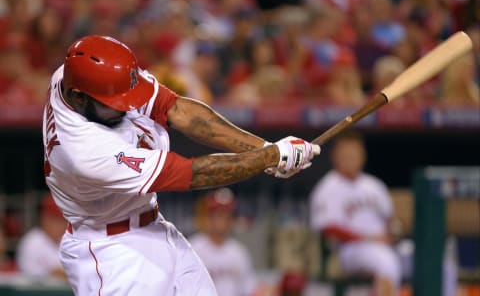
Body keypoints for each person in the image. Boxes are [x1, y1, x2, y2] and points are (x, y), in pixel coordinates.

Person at [42, 35, 320, 296]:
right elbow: (194, 174)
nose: (127, 108)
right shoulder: (82, 151)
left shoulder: (73, 78)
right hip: (111, 253)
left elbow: (175, 109)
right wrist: (270, 158)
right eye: (115, 104)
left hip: (153, 228)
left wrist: (265, 149)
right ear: (78, 97)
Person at [309, 131, 400, 296]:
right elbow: (328, 229)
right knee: (386, 261)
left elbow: (391, 221)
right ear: (335, 156)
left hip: (383, 245)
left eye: (354, 153)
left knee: (439, 264)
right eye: (346, 154)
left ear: (363, 156)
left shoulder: (375, 186)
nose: (351, 158)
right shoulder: (328, 188)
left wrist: (393, 234)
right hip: (350, 250)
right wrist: (368, 238)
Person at [189, 187, 256, 296]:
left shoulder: (239, 252)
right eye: (219, 214)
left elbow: (247, 289)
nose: (224, 220)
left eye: (227, 215)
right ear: (209, 217)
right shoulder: (193, 249)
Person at [16, 192, 66, 280]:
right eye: (54, 219)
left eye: (62, 220)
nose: (59, 225)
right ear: (43, 218)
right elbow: (33, 278)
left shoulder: (68, 240)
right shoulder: (32, 241)